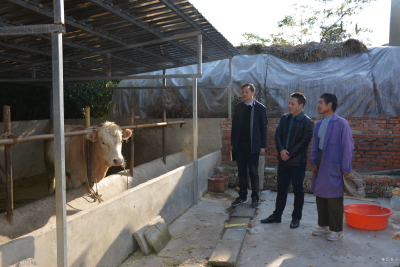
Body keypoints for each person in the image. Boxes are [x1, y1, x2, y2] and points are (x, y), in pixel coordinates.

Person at [261, 92, 314, 229]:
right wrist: (281, 150)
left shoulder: (307, 122)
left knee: (298, 190)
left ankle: (296, 218)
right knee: (281, 189)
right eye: (289, 103)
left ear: (301, 105)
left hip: (297, 162)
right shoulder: (284, 118)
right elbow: (278, 134)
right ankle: (277, 215)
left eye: (292, 104)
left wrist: (288, 153)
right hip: (283, 160)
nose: (289, 106)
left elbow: (304, 142)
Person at [310, 93, 354, 241]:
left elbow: (348, 147)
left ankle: (337, 229)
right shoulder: (319, 124)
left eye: (321, 102)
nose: (318, 105)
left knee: (334, 196)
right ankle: (323, 226)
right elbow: (315, 145)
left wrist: (346, 166)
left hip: (335, 162)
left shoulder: (342, 123)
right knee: (320, 194)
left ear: (330, 105)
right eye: (318, 102)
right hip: (321, 160)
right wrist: (314, 162)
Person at [230, 83, 268, 208]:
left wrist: (263, 146)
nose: (244, 94)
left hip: (253, 145)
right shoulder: (238, 107)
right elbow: (234, 127)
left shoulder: (260, 108)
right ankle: (242, 196)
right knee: (241, 172)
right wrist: (232, 144)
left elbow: (263, 128)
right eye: (242, 92)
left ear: (253, 93)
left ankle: (255, 197)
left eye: (246, 92)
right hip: (240, 145)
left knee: (253, 172)